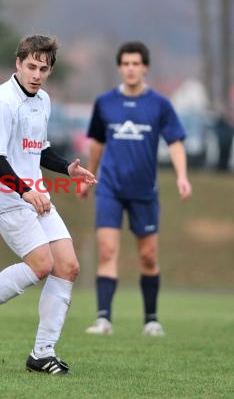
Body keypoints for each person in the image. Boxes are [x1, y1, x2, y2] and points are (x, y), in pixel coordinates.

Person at [0, 34, 97, 375]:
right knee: (42, 264)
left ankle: (42, 353)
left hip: (37, 196)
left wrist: (67, 168)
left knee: (68, 266)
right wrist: (26, 191)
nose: (36, 74)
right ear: (18, 63)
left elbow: (38, 148)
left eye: (43, 68)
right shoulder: (2, 101)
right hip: (8, 197)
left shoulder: (42, 100)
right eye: (31, 66)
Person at [78, 41, 192, 337]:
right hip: (110, 189)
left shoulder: (160, 104)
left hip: (144, 191)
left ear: (145, 67)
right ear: (120, 67)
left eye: (135, 63)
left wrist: (182, 176)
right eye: (125, 63)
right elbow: (97, 144)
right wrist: (86, 177)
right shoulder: (105, 103)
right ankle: (103, 319)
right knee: (107, 250)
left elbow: (176, 142)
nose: (130, 68)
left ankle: (151, 319)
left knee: (148, 257)